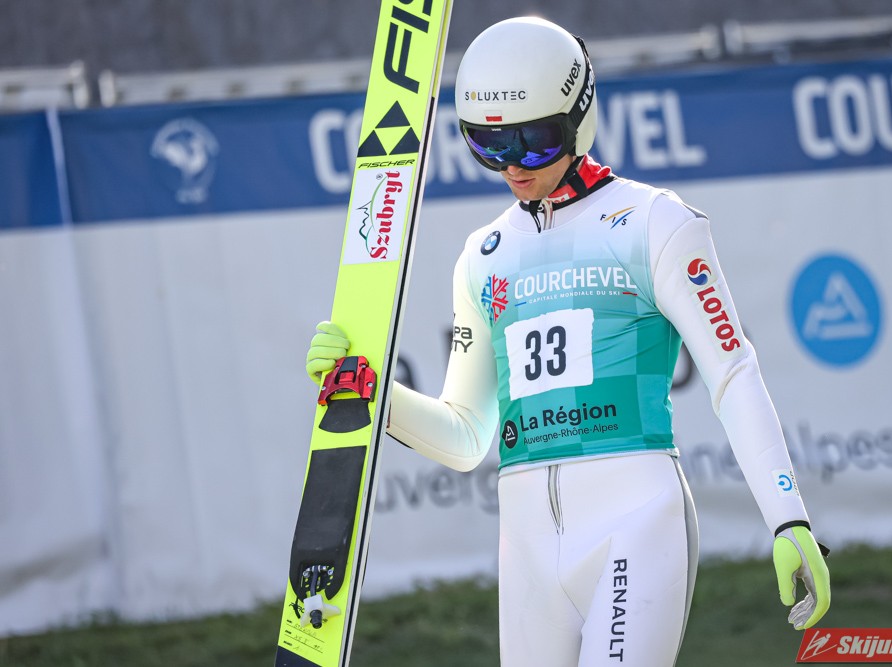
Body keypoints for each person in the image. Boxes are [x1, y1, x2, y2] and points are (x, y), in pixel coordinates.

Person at [307, 16, 830, 666]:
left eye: (534, 142)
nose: (512, 165)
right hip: (526, 545)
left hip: (636, 524)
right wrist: (372, 394)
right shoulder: (482, 257)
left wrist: (788, 515)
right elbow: (466, 436)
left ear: (580, 118)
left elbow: (732, 373)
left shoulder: (655, 224)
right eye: (488, 145)